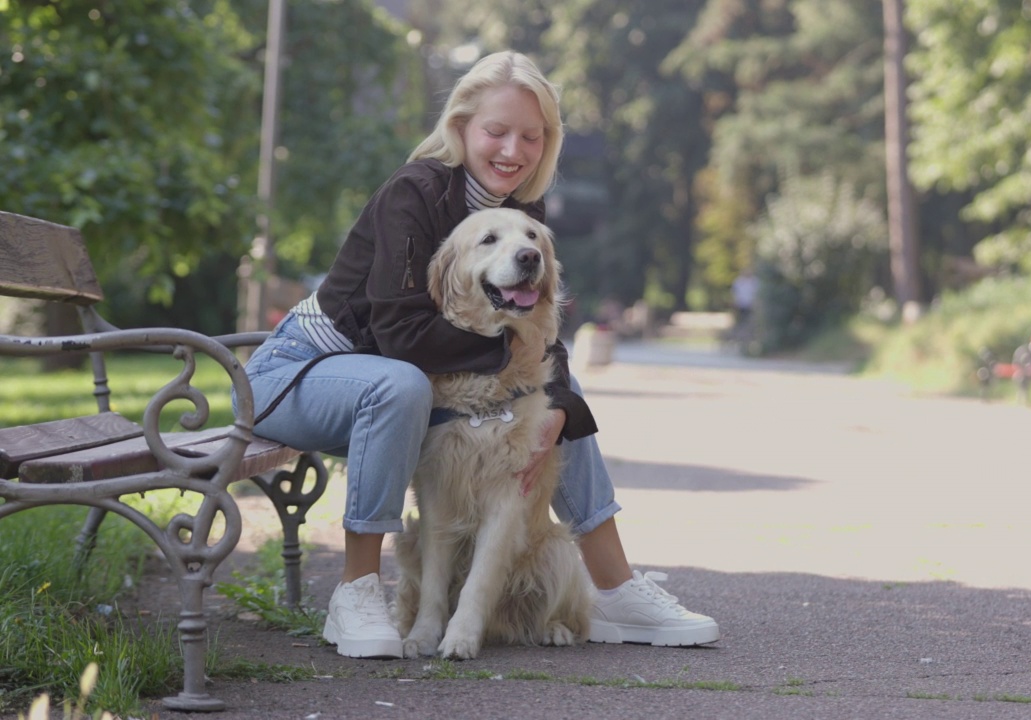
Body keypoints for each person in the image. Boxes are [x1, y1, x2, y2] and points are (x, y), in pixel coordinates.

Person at [238, 50, 719, 659]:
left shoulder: (518, 216)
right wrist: (520, 358)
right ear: (460, 125)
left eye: (531, 136)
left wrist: (556, 408)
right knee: (404, 385)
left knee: (552, 405)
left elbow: (541, 326)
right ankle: (357, 590)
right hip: (298, 375)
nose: (512, 150)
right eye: (496, 131)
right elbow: (400, 336)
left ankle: (617, 588)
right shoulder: (412, 192)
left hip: (401, 389)